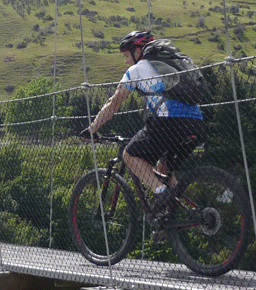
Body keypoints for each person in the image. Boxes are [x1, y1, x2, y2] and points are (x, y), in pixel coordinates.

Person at [80, 30, 205, 209]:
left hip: (169, 122)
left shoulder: (137, 70)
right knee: (162, 167)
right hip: (196, 123)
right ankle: (176, 212)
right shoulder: (168, 65)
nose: (126, 60)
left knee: (129, 155)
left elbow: (113, 103)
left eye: (126, 55)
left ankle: (162, 194)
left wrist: (92, 129)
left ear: (138, 51)